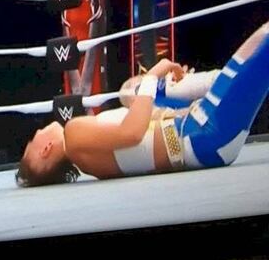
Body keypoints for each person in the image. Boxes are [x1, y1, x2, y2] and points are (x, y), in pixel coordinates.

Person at [16, 19, 269, 186]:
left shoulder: (89, 164)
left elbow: (143, 144)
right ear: (45, 149)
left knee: (131, 91)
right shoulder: (73, 134)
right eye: (31, 142)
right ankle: (214, 82)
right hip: (203, 131)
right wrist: (152, 75)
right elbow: (133, 133)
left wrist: (159, 94)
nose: (35, 134)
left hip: (199, 139)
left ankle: (213, 82)